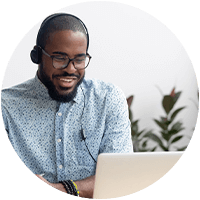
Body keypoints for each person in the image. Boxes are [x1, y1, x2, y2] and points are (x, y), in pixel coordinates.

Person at [1, 13, 133, 198]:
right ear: (37, 55)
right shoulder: (5, 107)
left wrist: (64, 189)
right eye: (60, 58)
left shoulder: (108, 99)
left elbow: (120, 175)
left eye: (79, 60)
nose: (70, 69)